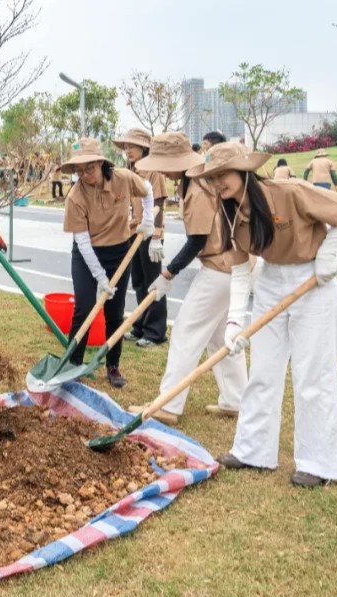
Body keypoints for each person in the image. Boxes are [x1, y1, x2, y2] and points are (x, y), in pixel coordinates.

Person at [187, 142, 337, 488]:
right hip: (271, 281)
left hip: (313, 283)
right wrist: (235, 322)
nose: (219, 183)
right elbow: (238, 270)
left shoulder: (289, 191)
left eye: (223, 174)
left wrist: (327, 255)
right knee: (263, 370)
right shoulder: (229, 211)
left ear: (244, 169)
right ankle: (253, 450)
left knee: (313, 374)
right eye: (212, 177)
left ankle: (318, 463)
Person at [125, 132, 247, 425]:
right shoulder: (192, 181)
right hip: (228, 266)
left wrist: (168, 273)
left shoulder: (198, 187)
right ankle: (236, 399)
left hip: (221, 267)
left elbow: (197, 239)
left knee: (185, 331)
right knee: (219, 337)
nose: (161, 170)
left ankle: (168, 404)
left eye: (164, 163)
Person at [61, 137, 153, 388]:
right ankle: (73, 364)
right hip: (87, 255)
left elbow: (148, 190)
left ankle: (113, 365)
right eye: (79, 170)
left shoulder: (123, 178)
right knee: (85, 308)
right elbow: (82, 242)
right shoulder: (76, 197)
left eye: (89, 168)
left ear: (102, 163)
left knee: (115, 312)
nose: (84, 174)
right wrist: (100, 277)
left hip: (120, 251)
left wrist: (149, 221)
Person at [115, 128, 169, 348]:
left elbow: (159, 203)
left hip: (150, 234)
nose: (128, 150)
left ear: (144, 148)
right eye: (126, 147)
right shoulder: (129, 170)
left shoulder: (153, 171)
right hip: (134, 231)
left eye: (132, 146)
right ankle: (139, 325)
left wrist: (156, 236)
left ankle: (156, 331)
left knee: (152, 282)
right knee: (137, 280)